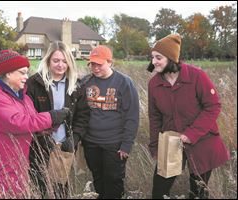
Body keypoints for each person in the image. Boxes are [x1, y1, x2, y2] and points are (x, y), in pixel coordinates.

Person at [0, 49, 70, 199]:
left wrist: (49, 127)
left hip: (15, 163)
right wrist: (51, 117)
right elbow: (16, 122)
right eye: (22, 73)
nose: (26, 77)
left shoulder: (21, 97)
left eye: (27, 73)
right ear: (8, 73)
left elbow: (32, 119)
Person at [147, 34, 230, 199]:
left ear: (171, 58)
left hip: (202, 142)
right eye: (152, 57)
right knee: (159, 191)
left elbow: (213, 106)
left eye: (158, 57)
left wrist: (190, 134)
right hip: (171, 141)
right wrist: (155, 145)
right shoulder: (154, 84)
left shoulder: (197, 76)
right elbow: (154, 117)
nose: (154, 62)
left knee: (198, 192)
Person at [27, 41, 90, 198]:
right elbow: (28, 116)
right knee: (38, 190)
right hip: (39, 148)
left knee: (60, 192)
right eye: (56, 60)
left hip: (63, 149)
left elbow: (83, 117)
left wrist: (73, 140)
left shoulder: (76, 85)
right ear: (48, 60)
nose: (60, 65)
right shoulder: (34, 83)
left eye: (64, 61)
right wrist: (41, 137)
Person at [82, 45, 139, 199]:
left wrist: (126, 145)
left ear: (110, 62)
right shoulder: (86, 82)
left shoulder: (124, 82)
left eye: (99, 64)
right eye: (92, 64)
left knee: (113, 181)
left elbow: (132, 116)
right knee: (98, 178)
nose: (95, 68)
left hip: (114, 143)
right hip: (91, 142)